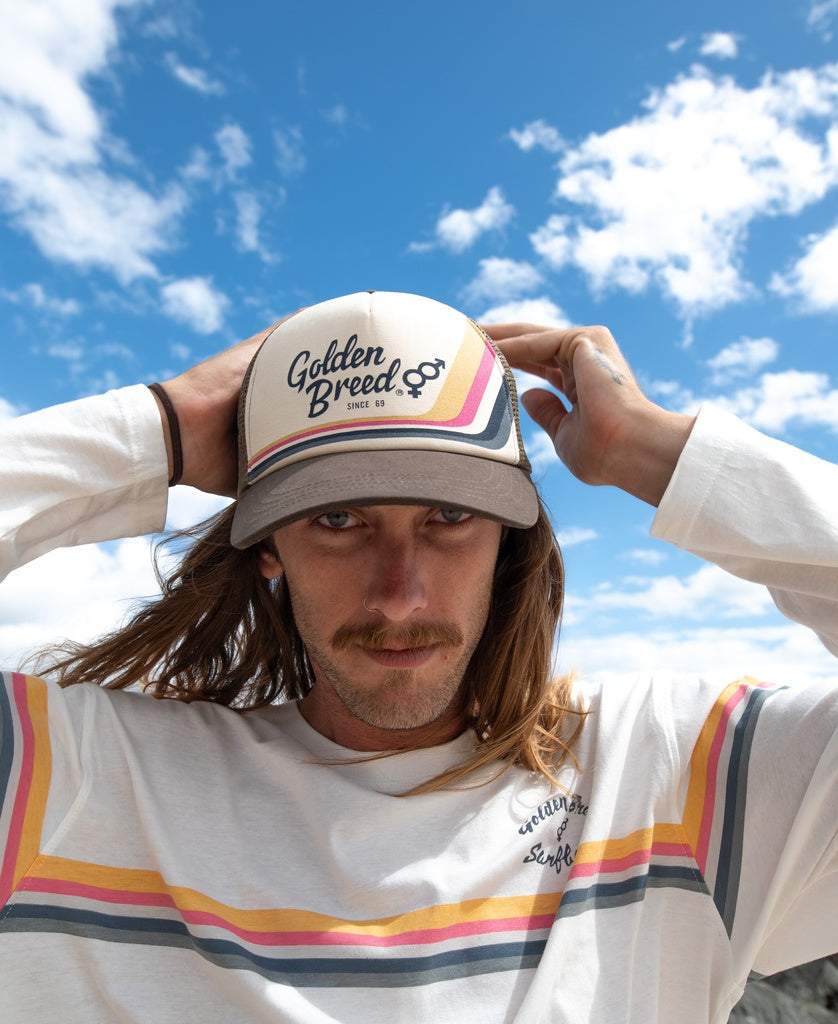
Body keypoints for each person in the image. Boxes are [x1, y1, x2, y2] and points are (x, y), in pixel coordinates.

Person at [0, 290, 835, 1024]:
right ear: (269, 547)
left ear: (507, 543)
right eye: (338, 520)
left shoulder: (673, 780)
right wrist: (163, 429)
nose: (400, 595)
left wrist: (656, 450)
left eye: (448, 516)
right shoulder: (76, 783)